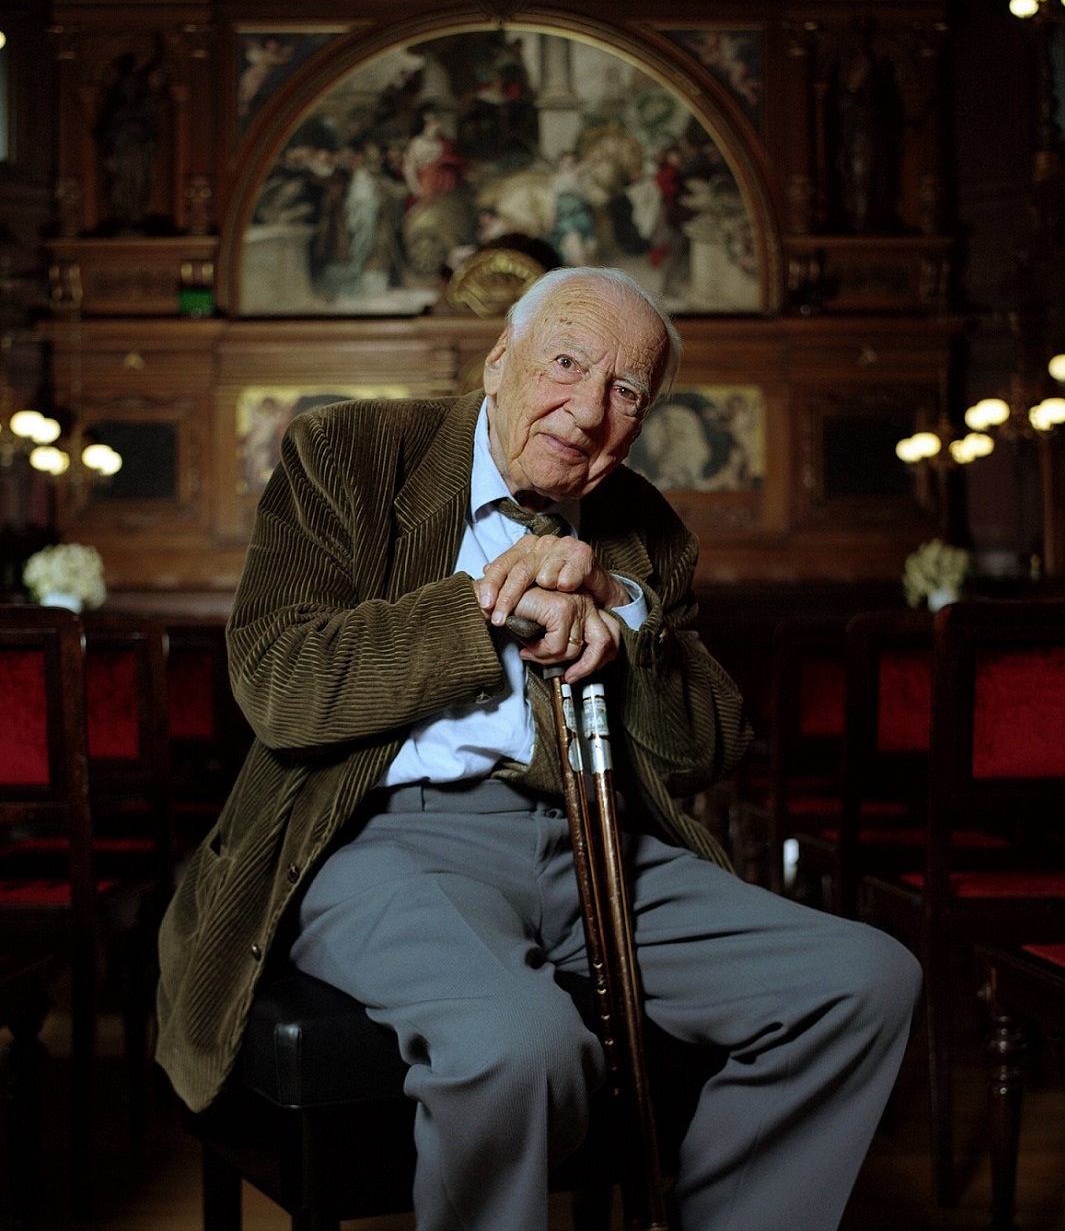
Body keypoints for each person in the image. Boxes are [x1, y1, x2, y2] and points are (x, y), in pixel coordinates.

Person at [155, 265, 921, 1231]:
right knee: (519, 1047)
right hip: (381, 842)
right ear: (497, 360)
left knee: (862, 981)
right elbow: (281, 681)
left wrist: (618, 610)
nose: (588, 409)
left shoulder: (645, 531)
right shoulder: (346, 453)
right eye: (565, 361)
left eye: (627, 390)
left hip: (591, 841)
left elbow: (710, 745)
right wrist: (490, 603)